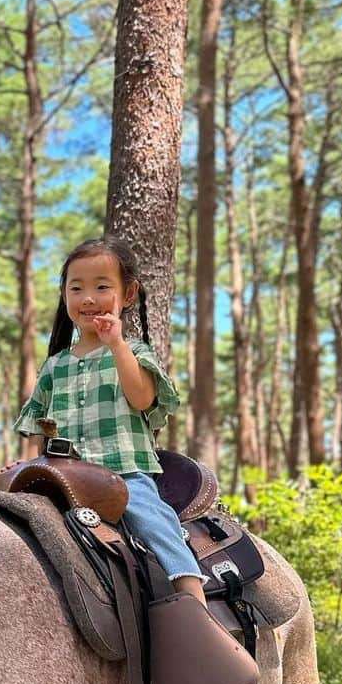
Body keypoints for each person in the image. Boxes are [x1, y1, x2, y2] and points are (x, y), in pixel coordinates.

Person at [14, 233, 207, 604]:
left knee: (152, 521)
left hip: (124, 473)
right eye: (76, 288)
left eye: (102, 287)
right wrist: (29, 466)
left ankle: (193, 599)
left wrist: (117, 344)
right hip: (65, 476)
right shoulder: (55, 365)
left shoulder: (133, 351)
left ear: (128, 294)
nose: (88, 298)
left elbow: (142, 397)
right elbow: (42, 424)